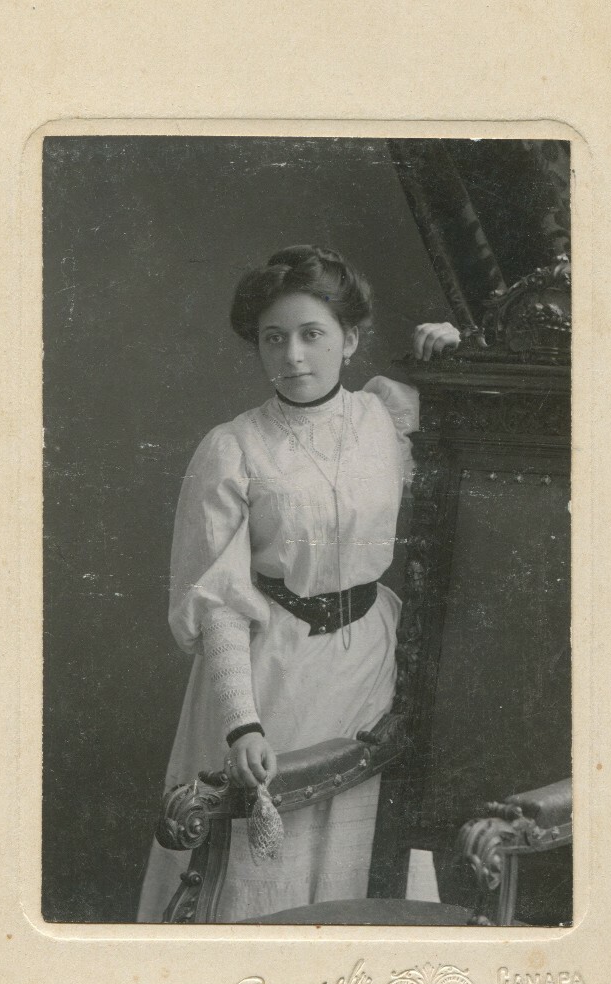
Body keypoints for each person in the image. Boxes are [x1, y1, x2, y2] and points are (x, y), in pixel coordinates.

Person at [137, 245, 460, 923]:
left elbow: (487, 427)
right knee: (264, 861)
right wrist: (242, 725)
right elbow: (220, 604)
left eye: (312, 334)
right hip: (272, 671)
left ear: (351, 339)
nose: (293, 356)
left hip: (373, 660)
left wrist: (459, 352)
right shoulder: (233, 448)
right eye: (273, 338)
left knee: (366, 850)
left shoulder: (390, 416)